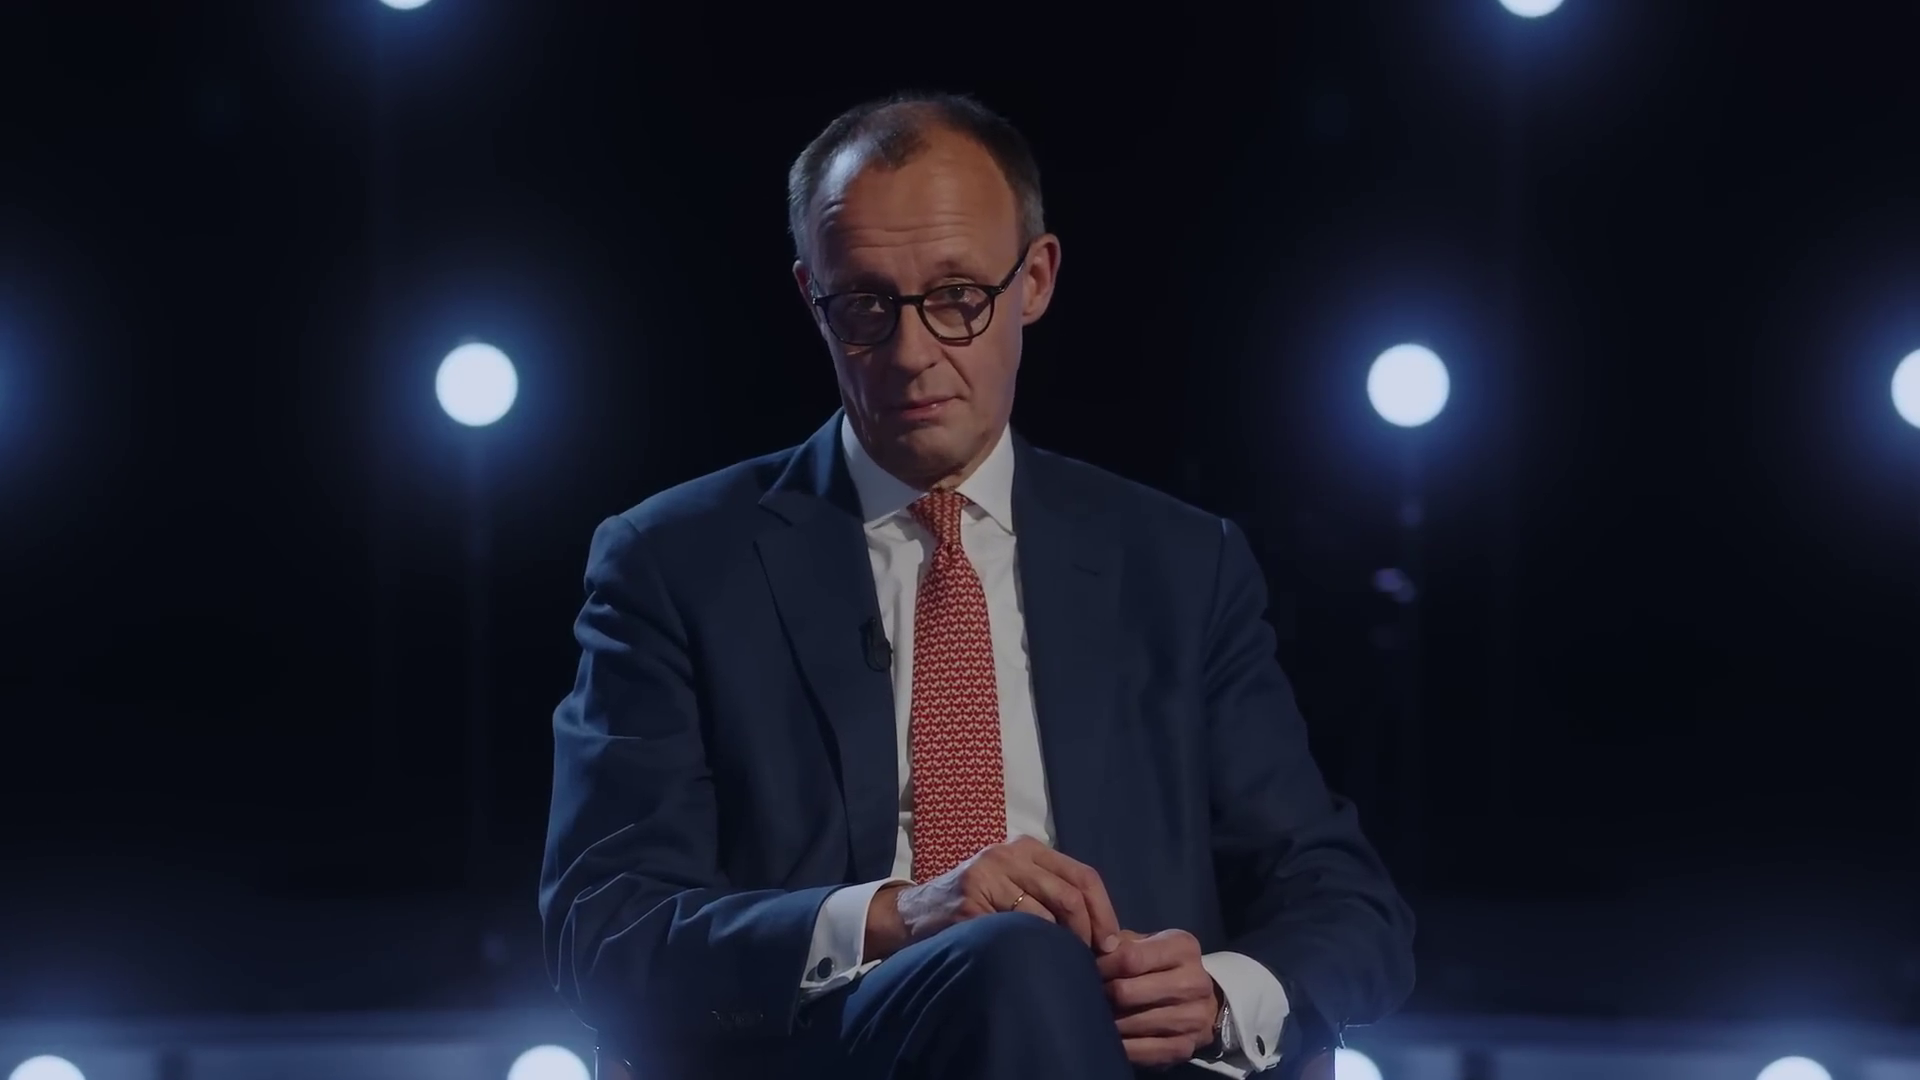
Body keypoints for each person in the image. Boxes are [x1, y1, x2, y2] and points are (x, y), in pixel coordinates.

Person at [539, 91, 1414, 1080]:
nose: (911, 354)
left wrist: (1219, 996)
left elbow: (1346, 905)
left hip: (1117, 1059)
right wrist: (898, 914)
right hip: (829, 1052)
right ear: (811, 297)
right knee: (1016, 961)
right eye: (864, 305)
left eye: (958, 296)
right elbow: (604, 927)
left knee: (1035, 972)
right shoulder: (674, 562)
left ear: (1034, 279)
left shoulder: (1180, 566)